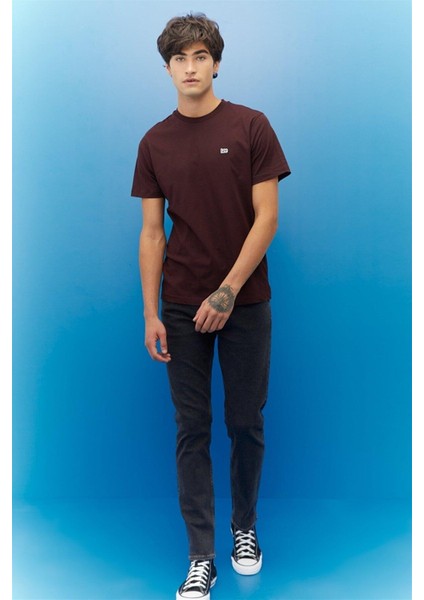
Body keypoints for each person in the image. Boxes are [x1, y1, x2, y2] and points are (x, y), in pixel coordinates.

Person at [131, 13, 291, 600]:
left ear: (216, 63)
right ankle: (202, 557)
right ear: (168, 68)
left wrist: (226, 292)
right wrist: (150, 312)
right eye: (180, 58)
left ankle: (244, 528)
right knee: (191, 429)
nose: (191, 67)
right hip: (179, 307)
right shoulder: (154, 142)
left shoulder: (252, 126)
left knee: (245, 421)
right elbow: (153, 234)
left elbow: (267, 218)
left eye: (201, 56)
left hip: (244, 302)